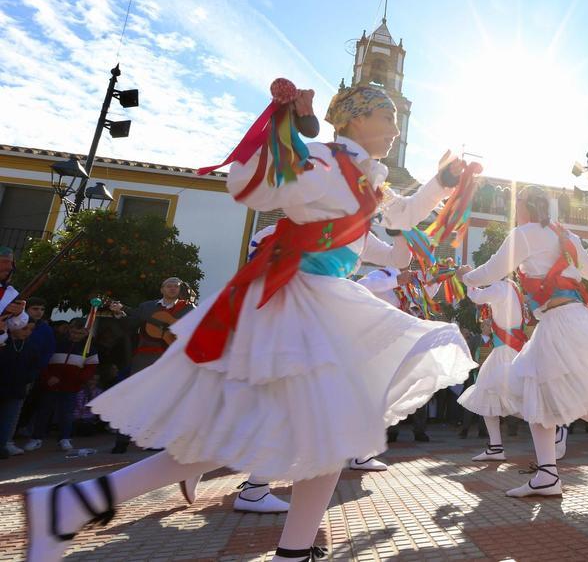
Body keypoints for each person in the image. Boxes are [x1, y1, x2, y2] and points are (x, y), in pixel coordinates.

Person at [24, 80, 477, 562]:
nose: (393, 130)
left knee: (324, 433)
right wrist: (283, 128)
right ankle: (72, 505)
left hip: (318, 303)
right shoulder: (325, 162)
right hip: (296, 305)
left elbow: (398, 219)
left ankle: (77, 506)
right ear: (356, 118)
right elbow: (248, 184)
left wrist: (444, 183)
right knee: (295, 430)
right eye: (387, 118)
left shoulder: (362, 176)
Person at [457, 185, 588, 497]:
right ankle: (551, 473)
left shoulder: (523, 233)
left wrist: (466, 276)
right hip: (573, 319)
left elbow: (491, 271)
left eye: (517, 202)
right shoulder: (564, 234)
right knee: (545, 398)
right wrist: (567, 260)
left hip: (560, 323)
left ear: (523, 205)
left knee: (551, 395)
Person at [460, 278, 568, 462]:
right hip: (504, 350)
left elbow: (477, 296)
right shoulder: (511, 287)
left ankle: (555, 426)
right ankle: (495, 447)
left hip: (506, 352)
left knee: (513, 398)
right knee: (487, 395)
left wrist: (468, 278)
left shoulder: (501, 287)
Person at [111, 278, 196, 454]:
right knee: (135, 398)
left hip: (173, 359)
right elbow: (130, 325)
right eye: (169, 286)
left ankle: (157, 440)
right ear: (161, 289)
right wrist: (119, 313)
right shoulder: (146, 307)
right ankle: (122, 441)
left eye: (176, 286)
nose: (172, 288)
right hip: (145, 357)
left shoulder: (188, 308)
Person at [26, 317, 98, 452]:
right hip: (50, 384)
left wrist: (78, 379)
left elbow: (90, 368)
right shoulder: (56, 343)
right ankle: (36, 438)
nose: (75, 336)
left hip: (71, 386)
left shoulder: (90, 349)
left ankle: (65, 438)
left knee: (66, 413)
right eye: (73, 332)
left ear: (87, 333)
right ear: (69, 329)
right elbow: (44, 362)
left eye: (80, 333)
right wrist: (48, 377)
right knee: (44, 411)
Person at [1, 319, 50, 458]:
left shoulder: (30, 347)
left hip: (18, 389)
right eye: (24, 329)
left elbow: (35, 367)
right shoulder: (3, 343)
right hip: (2, 385)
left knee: (10, 419)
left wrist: (28, 379)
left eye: (30, 330)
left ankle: (4, 444)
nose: (28, 332)